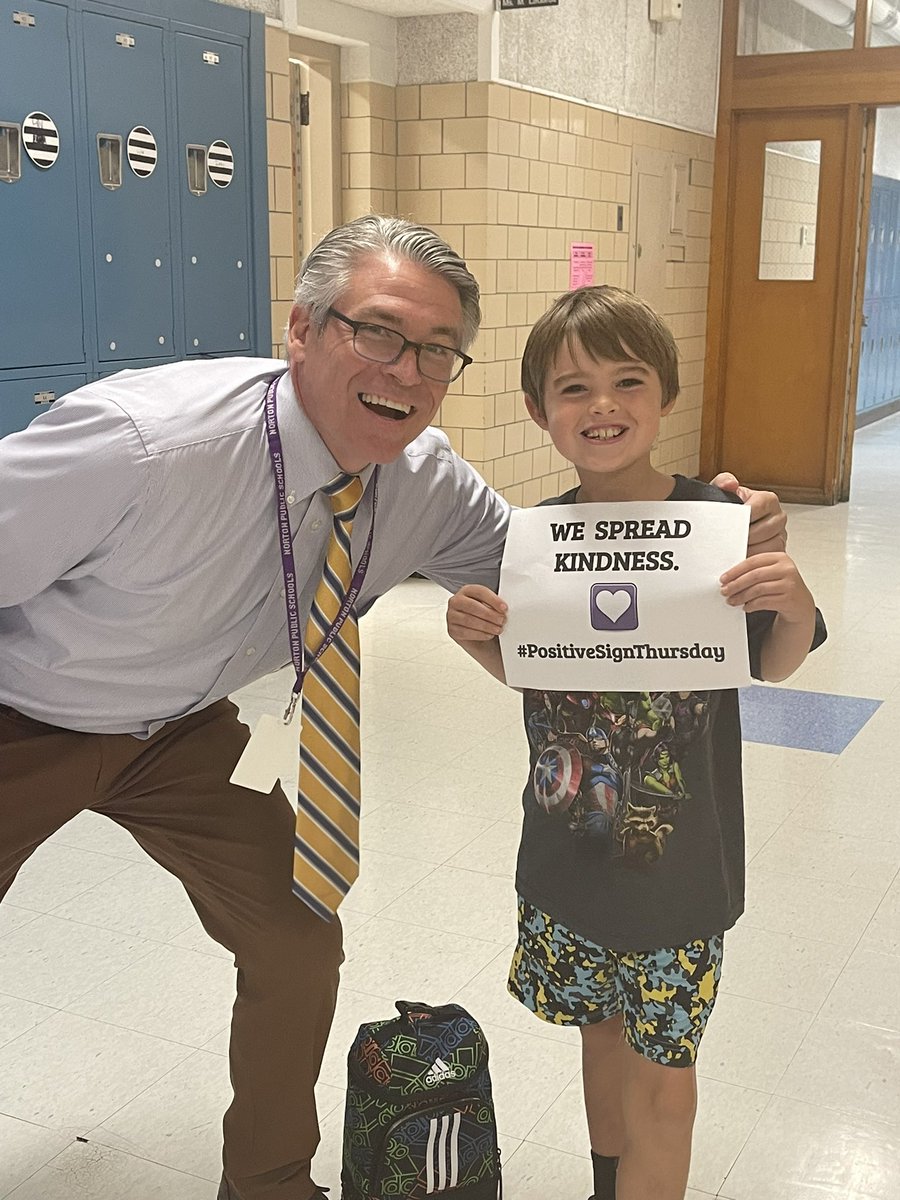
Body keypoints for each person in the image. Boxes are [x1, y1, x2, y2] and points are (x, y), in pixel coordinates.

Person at [0, 217, 787, 1200]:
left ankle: (271, 1183)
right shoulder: (147, 444)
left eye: (436, 352)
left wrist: (686, 537)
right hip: (22, 712)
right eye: (376, 332)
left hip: (181, 730)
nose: (405, 370)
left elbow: (558, 582)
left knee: (295, 939)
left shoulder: (424, 484)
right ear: (301, 329)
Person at [445, 285, 826, 1200]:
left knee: (665, 1078)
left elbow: (776, 664)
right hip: (568, 850)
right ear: (537, 410)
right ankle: (605, 1184)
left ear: (666, 396)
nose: (603, 406)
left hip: (679, 868)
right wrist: (484, 641)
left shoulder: (715, 527)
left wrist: (790, 592)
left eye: (628, 381)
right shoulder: (535, 540)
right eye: (573, 389)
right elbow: (542, 674)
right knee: (599, 1040)